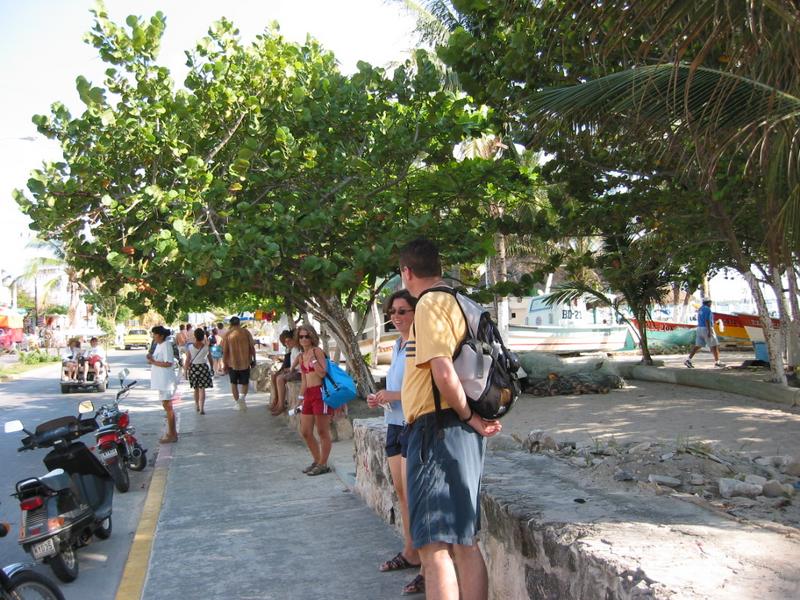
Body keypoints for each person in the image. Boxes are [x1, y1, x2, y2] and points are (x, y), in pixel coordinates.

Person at [399, 237, 501, 600]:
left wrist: (469, 416)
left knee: (434, 547)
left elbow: (443, 372)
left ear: (407, 272)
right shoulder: (458, 300)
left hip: (438, 429)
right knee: (463, 541)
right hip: (453, 430)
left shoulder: (429, 304)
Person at [367, 290, 424, 595]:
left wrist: (394, 394)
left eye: (403, 311)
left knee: (417, 496)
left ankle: (428, 567)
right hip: (394, 423)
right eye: (392, 312)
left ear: (416, 312)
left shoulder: (420, 342)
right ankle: (411, 550)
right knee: (403, 493)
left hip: (414, 424)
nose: (396, 316)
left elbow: (425, 389)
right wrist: (382, 397)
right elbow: (399, 386)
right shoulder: (399, 344)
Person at [296, 325, 333, 476]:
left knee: (322, 431)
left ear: (312, 337)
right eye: (301, 336)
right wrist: (300, 399)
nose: (304, 339)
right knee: (305, 431)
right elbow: (304, 381)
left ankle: (323, 464)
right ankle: (317, 460)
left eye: (307, 336)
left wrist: (314, 362)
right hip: (309, 395)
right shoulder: (300, 356)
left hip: (320, 393)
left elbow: (323, 373)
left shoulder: (317, 351)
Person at [148, 325, 178, 443]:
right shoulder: (158, 345)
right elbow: (156, 360)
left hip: (166, 381)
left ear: (161, 336)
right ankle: (171, 432)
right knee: (166, 406)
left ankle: (172, 434)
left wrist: (153, 362)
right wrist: (151, 359)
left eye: (155, 334)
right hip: (161, 381)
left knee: (168, 407)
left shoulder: (166, 345)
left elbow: (168, 363)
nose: (154, 337)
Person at [222, 316, 256, 411]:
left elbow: (225, 351)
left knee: (233, 383)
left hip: (232, 363)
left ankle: (238, 403)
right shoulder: (246, 332)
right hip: (245, 362)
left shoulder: (227, 334)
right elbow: (252, 347)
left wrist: (224, 363)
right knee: (245, 382)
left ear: (230, 324)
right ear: (239, 323)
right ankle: (242, 399)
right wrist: (254, 359)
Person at [685, 299, 725, 368]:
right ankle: (717, 362)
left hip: (699, 328)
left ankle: (688, 360)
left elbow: (703, 319)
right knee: (714, 346)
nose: (711, 304)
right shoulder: (708, 309)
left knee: (697, 346)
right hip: (706, 328)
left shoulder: (700, 309)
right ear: (708, 303)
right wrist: (709, 331)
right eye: (710, 303)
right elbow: (707, 320)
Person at [270, 329, 301, 415]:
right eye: (285, 342)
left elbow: (298, 365)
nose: (287, 343)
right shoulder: (294, 349)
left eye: (289, 341)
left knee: (280, 378)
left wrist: (289, 369)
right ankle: (277, 400)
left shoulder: (298, 350)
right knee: (275, 376)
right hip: (295, 370)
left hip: (300, 372)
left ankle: (281, 405)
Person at [185, 327, 213, 414]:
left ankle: (197, 405)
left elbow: (187, 360)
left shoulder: (190, 347)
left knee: (196, 389)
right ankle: (202, 408)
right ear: (203, 336)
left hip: (194, 368)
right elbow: (210, 359)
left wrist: (185, 372)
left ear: (195, 336)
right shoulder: (206, 347)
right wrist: (212, 368)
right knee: (202, 389)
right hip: (203, 368)